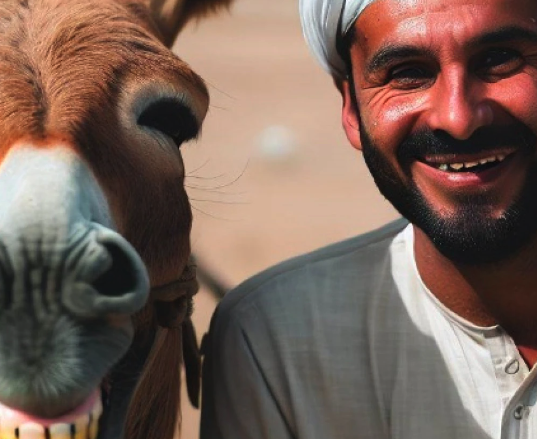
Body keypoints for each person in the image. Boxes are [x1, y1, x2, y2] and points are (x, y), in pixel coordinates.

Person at [199, 0, 537, 437]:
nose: (458, 118)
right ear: (352, 110)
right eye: (407, 73)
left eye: (498, 60)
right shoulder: (276, 339)